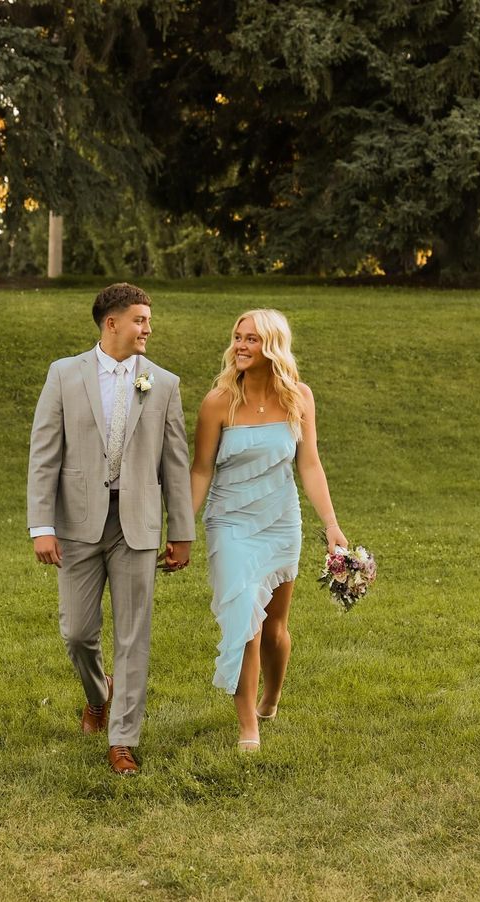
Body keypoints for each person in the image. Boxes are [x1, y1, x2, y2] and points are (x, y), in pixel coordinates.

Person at [27, 282, 195, 775]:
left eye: (149, 320)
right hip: (77, 523)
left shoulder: (163, 383)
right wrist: (42, 524)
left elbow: (175, 462)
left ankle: (122, 740)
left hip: (137, 524)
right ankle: (98, 694)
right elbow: (44, 455)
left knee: (134, 635)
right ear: (112, 323)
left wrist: (180, 530)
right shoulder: (64, 375)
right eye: (140, 320)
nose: (148, 328)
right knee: (78, 632)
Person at [190, 309, 347, 751]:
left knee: (275, 626)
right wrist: (181, 530)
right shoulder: (217, 401)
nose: (240, 346)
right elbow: (200, 471)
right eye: (237, 337)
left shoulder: (299, 397)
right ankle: (248, 729)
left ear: (272, 346)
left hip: (280, 520)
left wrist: (331, 525)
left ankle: (271, 698)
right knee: (246, 622)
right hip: (229, 523)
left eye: (252, 340)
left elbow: (310, 464)